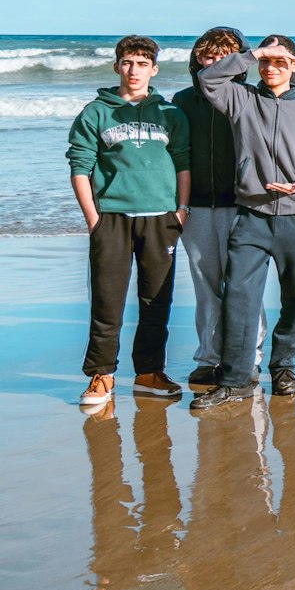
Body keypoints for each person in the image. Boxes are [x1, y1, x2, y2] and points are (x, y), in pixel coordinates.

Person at [189, 35, 295, 411]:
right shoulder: (241, 100)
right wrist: (254, 53)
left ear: (294, 66)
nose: (271, 67)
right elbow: (208, 79)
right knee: (239, 297)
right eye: (266, 61)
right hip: (252, 216)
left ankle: (284, 367)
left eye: (280, 60)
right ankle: (235, 380)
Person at [69, 35, 191, 410]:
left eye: (141, 63)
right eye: (127, 62)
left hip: (160, 218)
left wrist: (181, 210)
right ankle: (101, 374)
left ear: (154, 69)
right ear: (116, 66)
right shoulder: (96, 113)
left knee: (156, 299)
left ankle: (149, 373)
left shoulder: (170, 114)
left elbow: (183, 162)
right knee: (107, 301)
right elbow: (80, 166)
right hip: (112, 218)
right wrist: (93, 218)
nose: (133, 70)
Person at [172, 27, 252, 389]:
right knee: (206, 288)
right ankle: (208, 358)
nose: (216, 62)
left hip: (243, 206)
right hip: (198, 207)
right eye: (209, 56)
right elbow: (175, 156)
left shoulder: (251, 97)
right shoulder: (183, 100)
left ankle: (247, 358)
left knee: (244, 287)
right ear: (197, 60)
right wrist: (177, 205)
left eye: (225, 57)